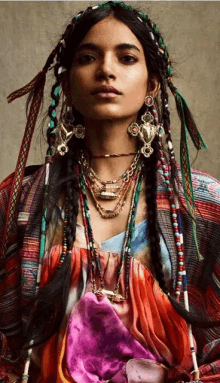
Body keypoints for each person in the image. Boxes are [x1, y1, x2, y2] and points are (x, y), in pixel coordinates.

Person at [0, 1, 220, 382]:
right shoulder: (19, 199)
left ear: (152, 85)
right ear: (67, 84)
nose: (106, 70)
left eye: (126, 58)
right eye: (88, 57)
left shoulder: (202, 203)